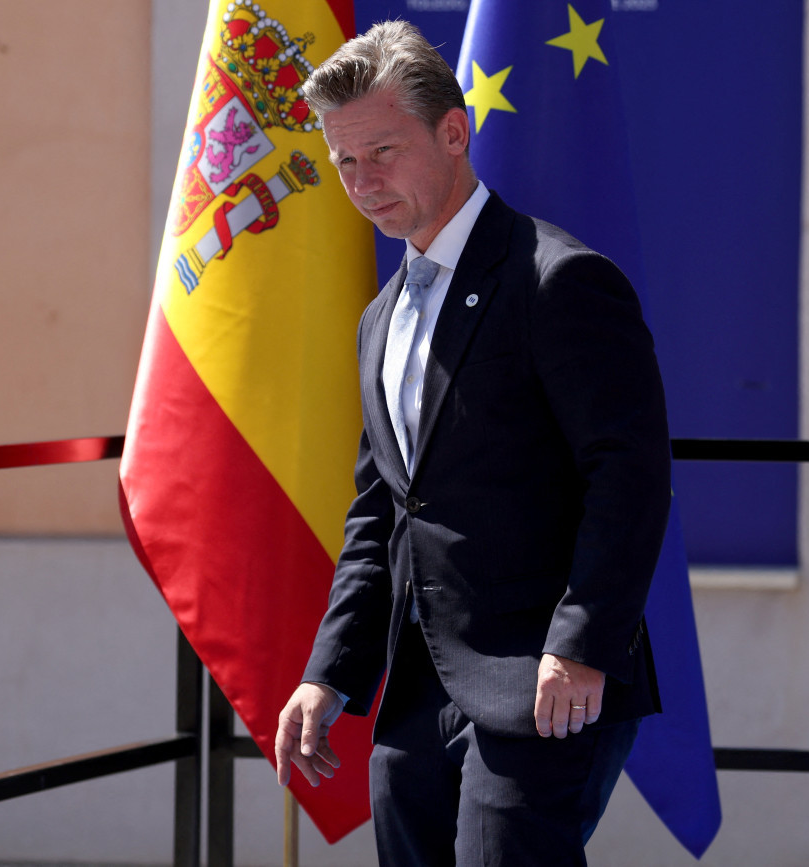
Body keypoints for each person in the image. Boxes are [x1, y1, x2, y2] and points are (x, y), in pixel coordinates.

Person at [274, 20, 671, 866]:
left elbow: (628, 476)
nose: (361, 180)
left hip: (546, 681)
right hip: (420, 695)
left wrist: (581, 645)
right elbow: (381, 512)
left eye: (381, 150)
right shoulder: (379, 320)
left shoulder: (559, 281)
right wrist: (327, 672)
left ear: (453, 132)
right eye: (344, 161)